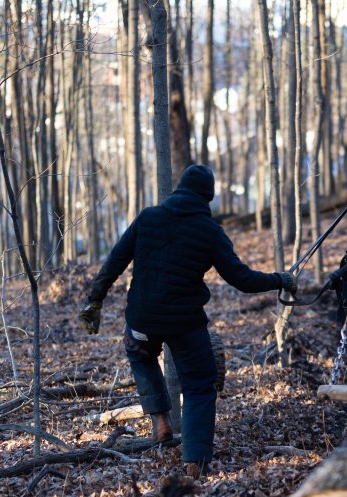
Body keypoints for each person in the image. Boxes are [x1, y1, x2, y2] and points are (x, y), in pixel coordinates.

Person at [79, 164, 296, 477]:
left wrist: (94, 300)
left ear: (178, 189)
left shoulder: (148, 217)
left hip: (141, 320)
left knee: (139, 354)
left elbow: (113, 263)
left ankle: (160, 418)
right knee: (198, 385)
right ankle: (195, 459)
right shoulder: (209, 232)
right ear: (207, 198)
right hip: (185, 324)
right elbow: (242, 279)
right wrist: (281, 279)